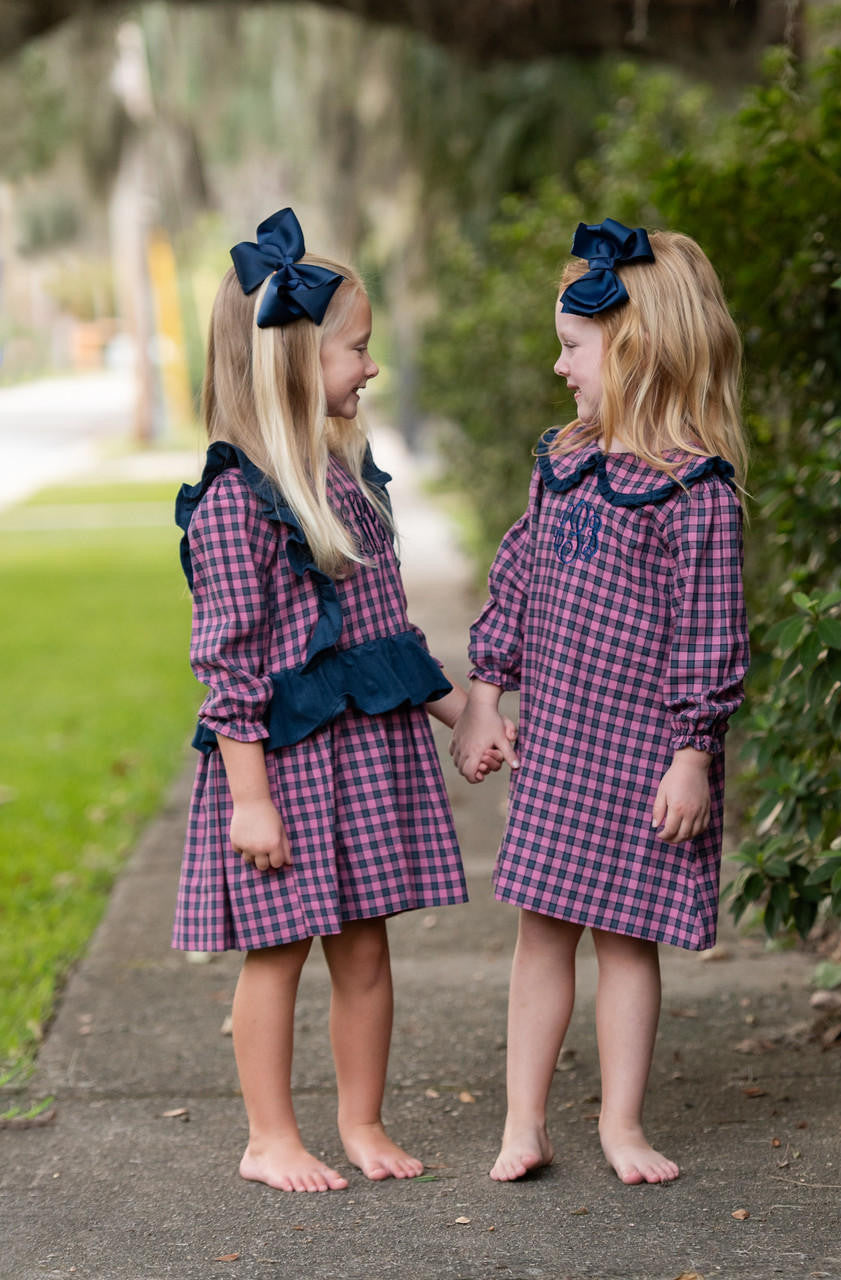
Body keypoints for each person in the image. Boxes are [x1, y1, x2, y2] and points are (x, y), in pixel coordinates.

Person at [172, 208, 509, 1193]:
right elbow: (227, 666)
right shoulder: (236, 500)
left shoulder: (345, 481)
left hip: (361, 761)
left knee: (365, 948)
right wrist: (247, 798)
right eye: (355, 347)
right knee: (275, 953)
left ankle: (360, 1117)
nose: (369, 367)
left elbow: (383, 633)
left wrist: (462, 714)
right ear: (289, 360)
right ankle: (267, 1135)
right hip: (279, 767)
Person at [451, 218, 750, 1185]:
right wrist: (488, 696)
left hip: (646, 754)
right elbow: (516, 582)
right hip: (563, 745)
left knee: (627, 939)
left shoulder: (693, 490)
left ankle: (622, 1123)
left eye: (572, 347)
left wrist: (693, 754)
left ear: (635, 350)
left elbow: (712, 631)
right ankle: (523, 1122)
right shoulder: (562, 461)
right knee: (543, 931)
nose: (557, 365)